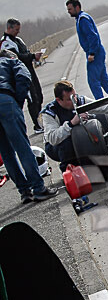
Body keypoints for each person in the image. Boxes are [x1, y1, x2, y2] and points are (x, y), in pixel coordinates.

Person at [43, 81, 108, 173]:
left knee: (100, 117)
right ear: (59, 100)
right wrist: (71, 123)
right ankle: (71, 173)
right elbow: (52, 138)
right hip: (57, 147)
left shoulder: (80, 100)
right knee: (66, 143)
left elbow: (104, 106)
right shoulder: (50, 112)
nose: (75, 100)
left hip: (79, 138)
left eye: (74, 96)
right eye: (69, 99)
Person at [0, 49, 57, 203]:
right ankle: (38, 189)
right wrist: (18, 100)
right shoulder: (12, 61)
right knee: (22, 147)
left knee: (6, 153)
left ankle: (25, 192)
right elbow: (24, 76)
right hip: (6, 100)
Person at [66, 0, 108, 100]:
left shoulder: (83, 19)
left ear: (77, 7)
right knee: (103, 79)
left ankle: (101, 103)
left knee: (93, 81)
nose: (69, 12)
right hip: (97, 51)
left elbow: (92, 36)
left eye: (70, 9)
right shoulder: (81, 18)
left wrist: (92, 53)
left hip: (95, 53)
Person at [1, 18, 45, 133]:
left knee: (39, 96)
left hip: (30, 71)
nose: (18, 32)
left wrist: (33, 56)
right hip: (19, 75)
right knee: (32, 99)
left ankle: (40, 121)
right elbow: (16, 58)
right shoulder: (6, 43)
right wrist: (31, 56)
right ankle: (37, 125)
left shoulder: (18, 40)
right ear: (9, 28)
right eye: (16, 30)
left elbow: (26, 53)